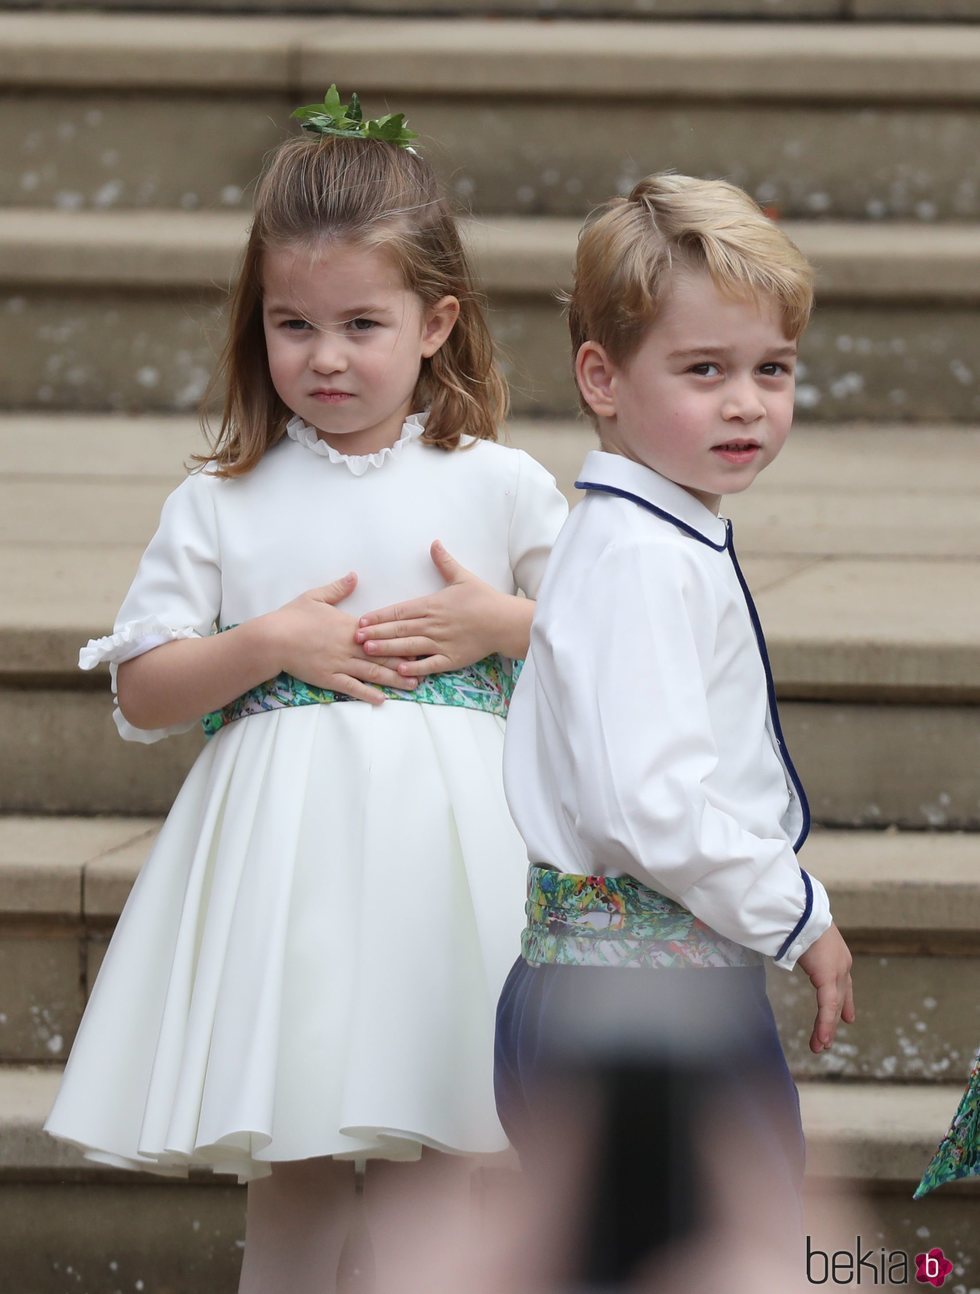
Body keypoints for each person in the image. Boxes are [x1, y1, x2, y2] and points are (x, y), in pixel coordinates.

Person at [44, 88, 568, 1293]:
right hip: (288, 884)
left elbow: (608, 640)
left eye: (360, 324)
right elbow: (145, 689)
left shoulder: (496, 483)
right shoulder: (222, 501)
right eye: (292, 325)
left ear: (436, 321)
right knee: (299, 1157)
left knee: (446, 1145)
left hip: (450, 870)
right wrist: (267, 643)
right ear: (256, 322)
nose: (323, 357)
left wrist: (501, 621)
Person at [494, 173, 856, 1286]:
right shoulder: (646, 559)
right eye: (704, 372)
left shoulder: (640, 534)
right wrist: (794, 913)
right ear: (600, 378)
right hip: (649, 1004)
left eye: (770, 370)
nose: (745, 403)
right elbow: (650, 802)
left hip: (602, 984)